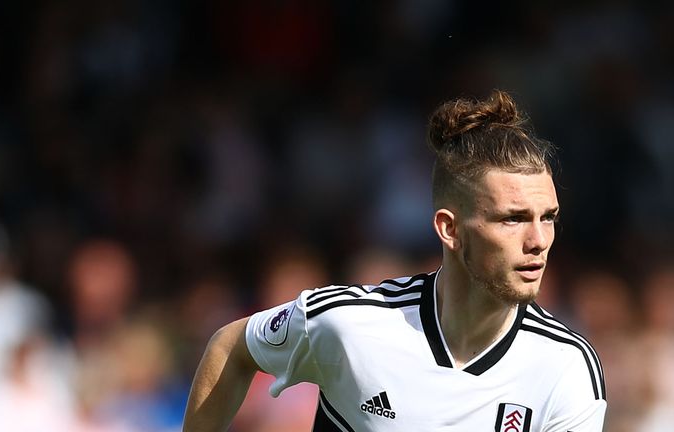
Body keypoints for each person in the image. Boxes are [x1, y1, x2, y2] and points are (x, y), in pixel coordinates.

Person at [182, 90, 607, 431]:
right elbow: (231, 347)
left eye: (548, 218)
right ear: (450, 229)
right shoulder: (349, 324)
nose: (538, 240)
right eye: (513, 219)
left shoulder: (566, 367)